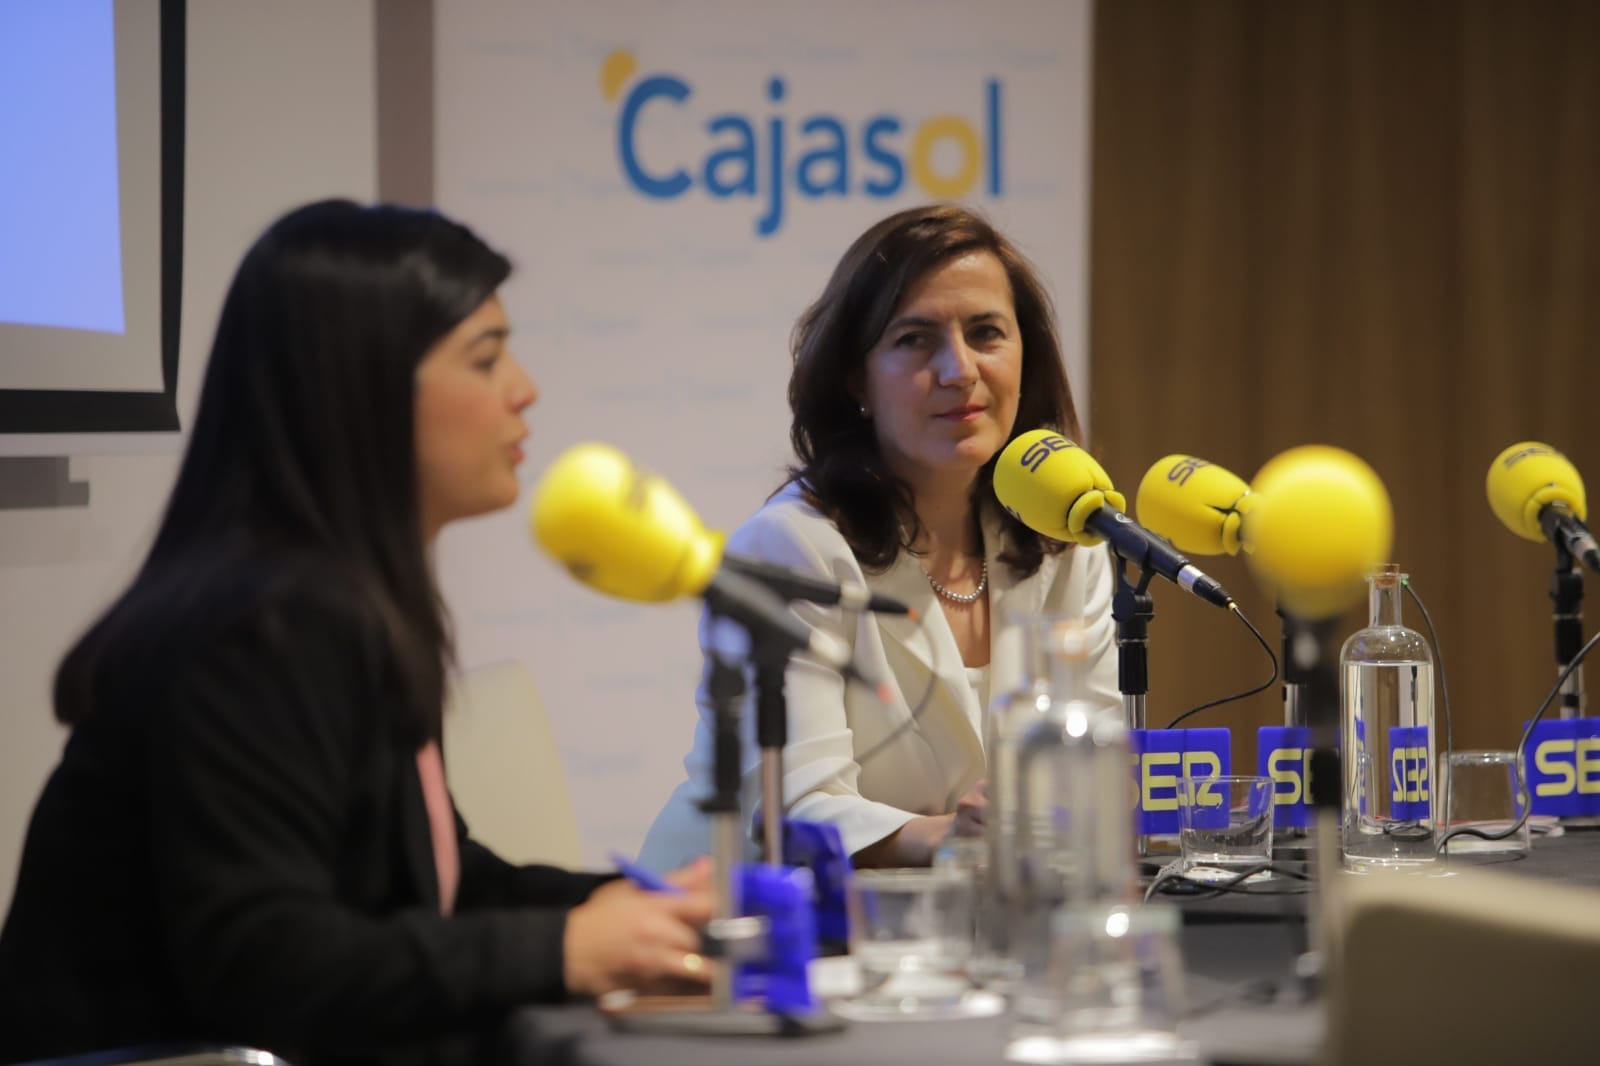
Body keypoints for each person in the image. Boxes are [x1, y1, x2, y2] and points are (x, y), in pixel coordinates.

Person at [0, 201, 713, 1065]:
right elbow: (265, 962)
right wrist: (564, 949)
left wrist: (638, 906)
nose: (524, 387)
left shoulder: (336, 603)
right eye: (486, 358)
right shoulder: (258, 628)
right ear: (363, 388)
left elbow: (438, 885)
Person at [639, 204, 1120, 871]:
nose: (959, 370)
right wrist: (957, 836)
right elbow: (796, 808)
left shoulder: (1067, 538)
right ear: (856, 378)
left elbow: (1094, 758)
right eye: (915, 340)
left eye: (986, 333)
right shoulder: (792, 546)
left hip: (952, 928)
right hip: (742, 922)